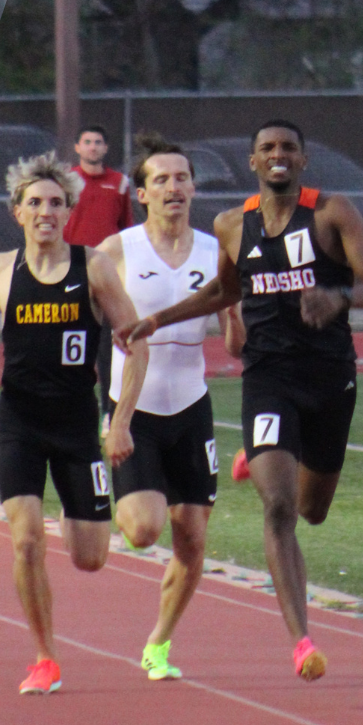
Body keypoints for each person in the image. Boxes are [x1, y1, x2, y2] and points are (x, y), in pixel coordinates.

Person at [121, 120, 363, 681]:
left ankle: (266, 456)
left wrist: (338, 297)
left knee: (312, 509)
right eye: (267, 148)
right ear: (252, 161)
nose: (278, 155)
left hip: (330, 381)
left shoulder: (332, 212)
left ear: (304, 158)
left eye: (289, 147)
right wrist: (157, 320)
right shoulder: (231, 225)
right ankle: (301, 642)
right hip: (268, 380)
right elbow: (225, 290)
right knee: (279, 508)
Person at [0, 150, 149, 695]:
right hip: (18, 423)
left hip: (77, 428)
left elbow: (136, 343)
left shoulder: (95, 268)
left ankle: (78, 505)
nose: (45, 212)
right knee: (27, 540)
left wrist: (122, 420)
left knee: (90, 558)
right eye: (34, 202)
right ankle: (45, 657)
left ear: (69, 212)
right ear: (17, 211)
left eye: (56, 203)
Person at [97, 133, 222, 681]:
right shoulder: (118, 250)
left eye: (181, 178)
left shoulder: (218, 252)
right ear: (142, 194)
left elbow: (236, 331)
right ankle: (101, 490)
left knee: (192, 539)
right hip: (135, 408)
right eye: (161, 180)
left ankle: (158, 644)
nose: (173, 187)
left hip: (192, 405)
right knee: (145, 531)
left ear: (194, 186)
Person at [64, 125, 131, 248]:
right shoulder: (66, 180)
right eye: (87, 142)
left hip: (109, 256)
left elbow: (126, 224)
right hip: (74, 255)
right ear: (77, 148)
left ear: (105, 148)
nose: (93, 148)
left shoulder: (119, 181)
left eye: (98, 143)